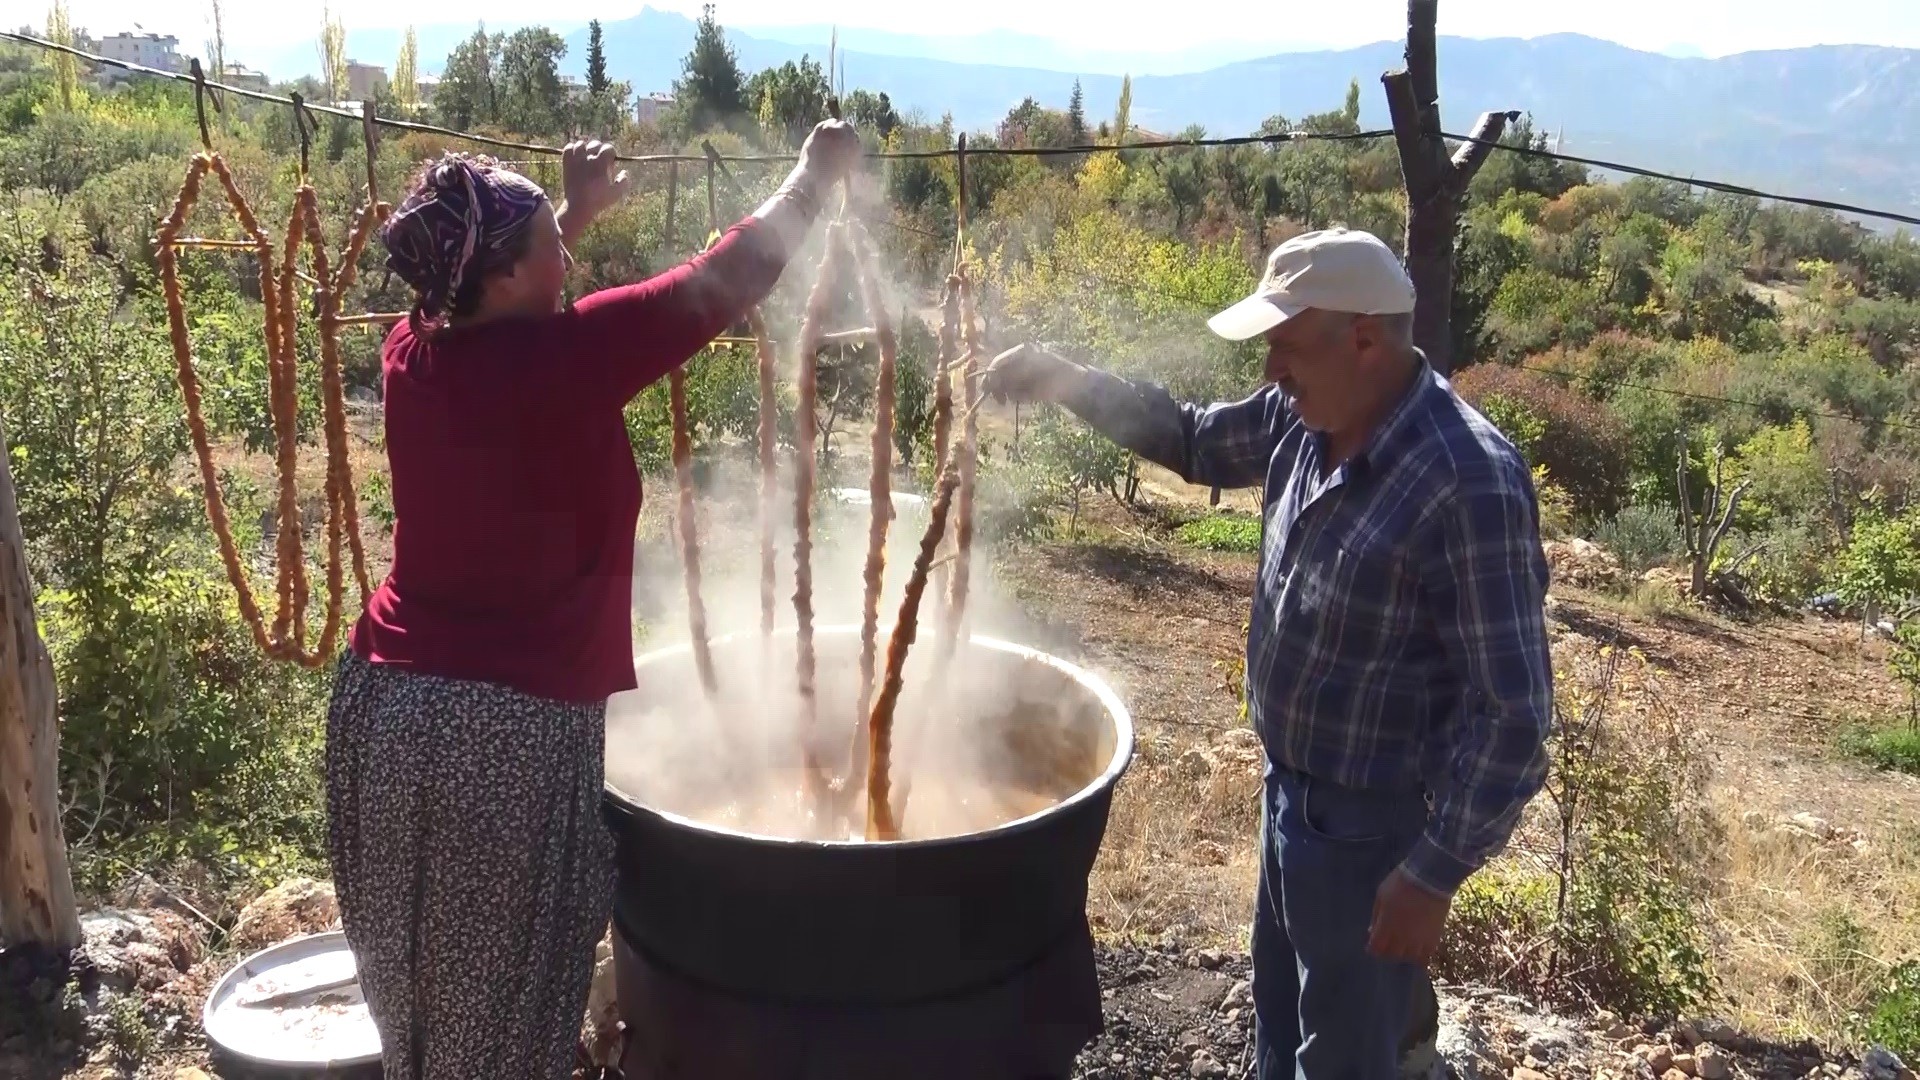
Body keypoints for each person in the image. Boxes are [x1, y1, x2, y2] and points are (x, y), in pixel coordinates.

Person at [327, 120, 861, 1079]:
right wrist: (812, 179)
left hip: (384, 712)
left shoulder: (413, 350)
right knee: (504, 1013)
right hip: (500, 734)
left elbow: (480, 284)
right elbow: (722, 280)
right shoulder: (564, 360)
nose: (564, 255)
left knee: (419, 991)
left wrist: (561, 211)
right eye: (549, 246)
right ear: (501, 278)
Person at [982, 228, 1553, 1079]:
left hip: (1374, 831)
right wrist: (1066, 379)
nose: (1269, 373)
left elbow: (1514, 717)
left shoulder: (1467, 479)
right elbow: (1192, 437)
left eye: (1284, 347)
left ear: (1362, 339)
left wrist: (1433, 874)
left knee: (1349, 1057)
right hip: (1290, 796)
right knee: (1281, 1035)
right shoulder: (1305, 415)